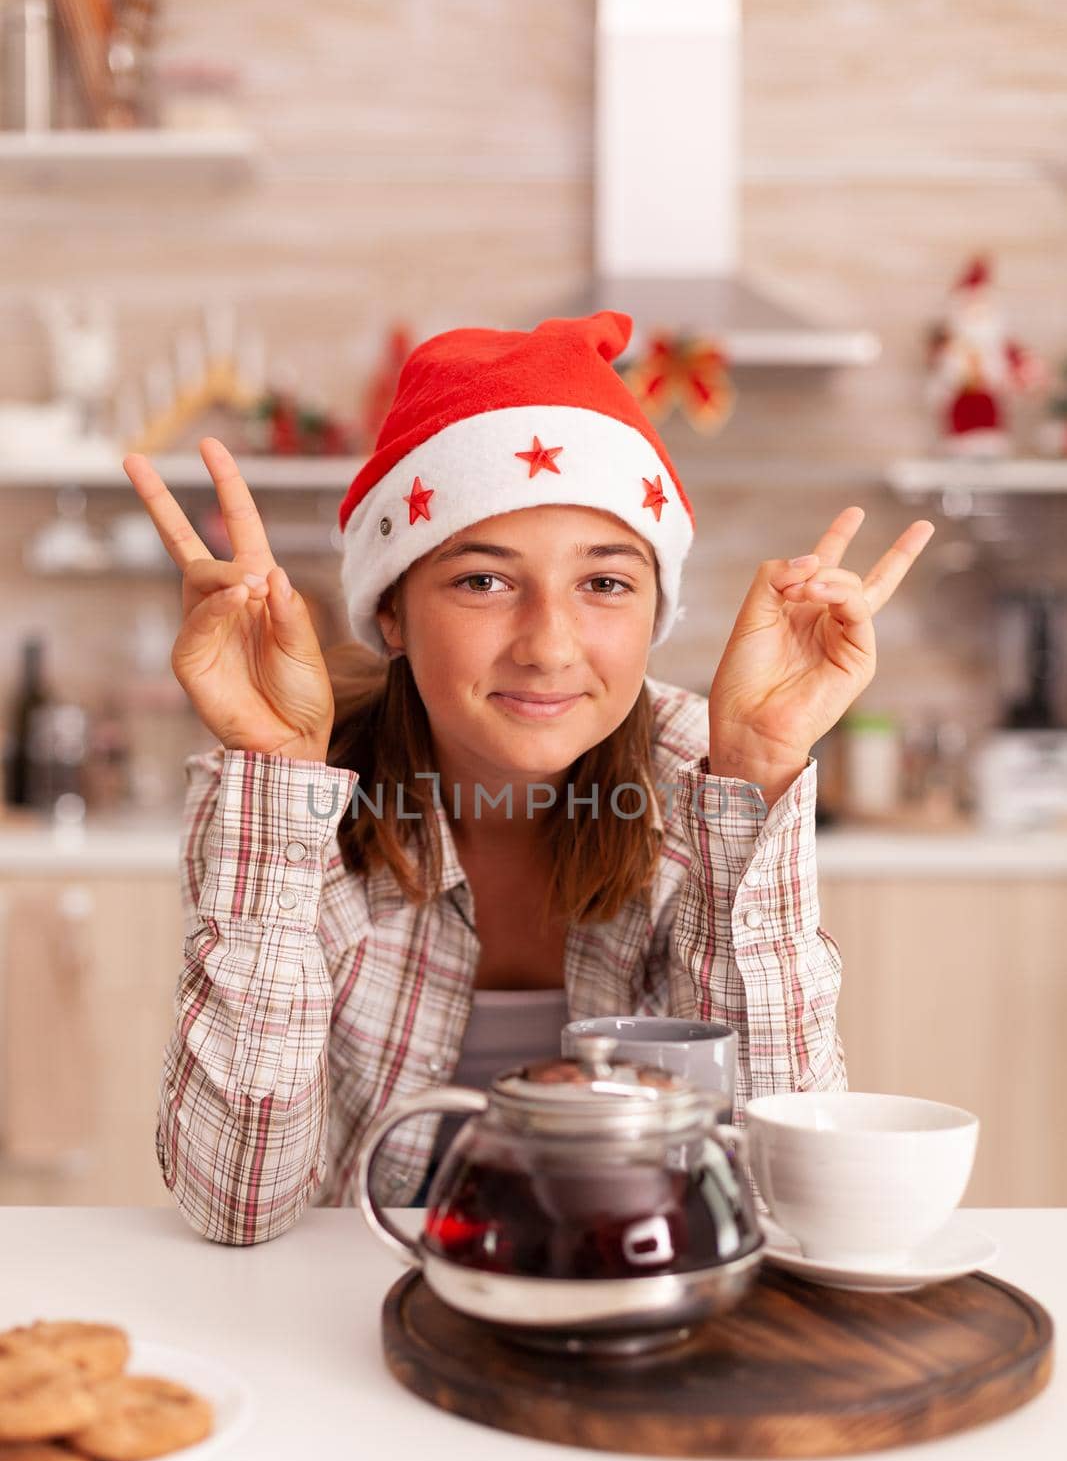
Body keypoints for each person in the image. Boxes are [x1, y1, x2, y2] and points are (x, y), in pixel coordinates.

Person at [123, 311, 935, 1246]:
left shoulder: (693, 777)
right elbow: (237, 1206)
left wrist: (754, 777)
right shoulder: (294, 787)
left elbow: (775, 1193)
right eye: (483, 581)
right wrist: (274, 776)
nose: (549, 647)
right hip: (353, 1303)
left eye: (604, 584)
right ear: (390, 613)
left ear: (653, 611)